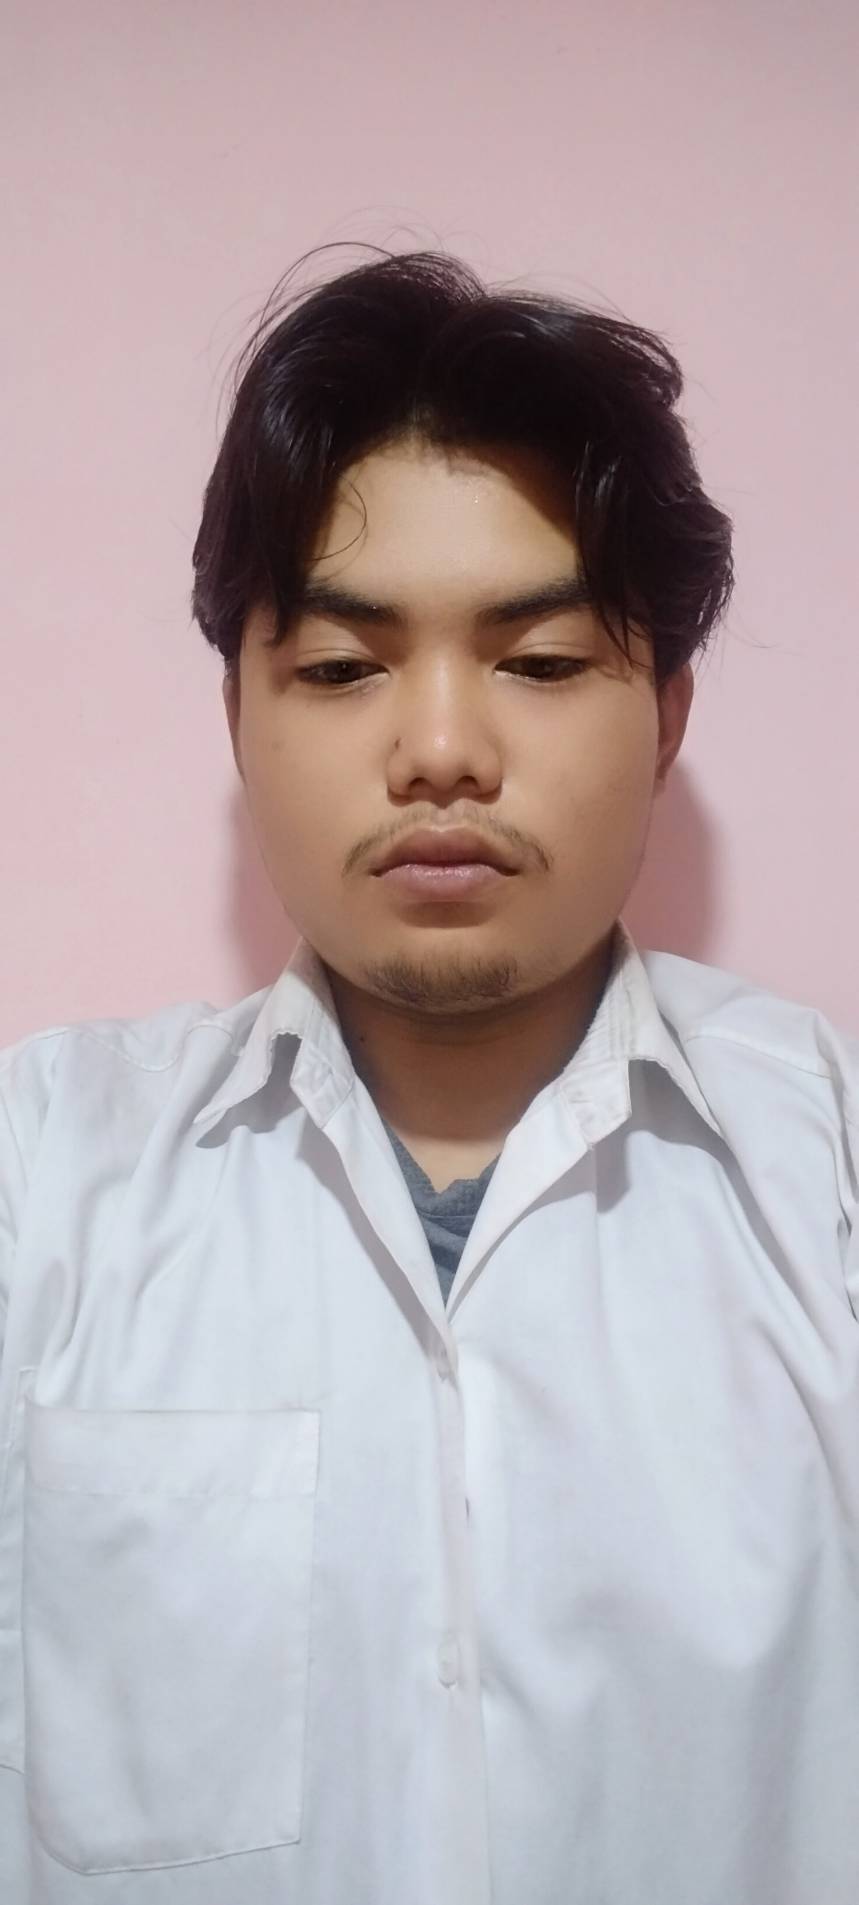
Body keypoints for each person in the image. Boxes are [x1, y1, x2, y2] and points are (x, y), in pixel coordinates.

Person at [1, 246, 857, 1905]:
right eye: (342, 666)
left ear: (669, 716)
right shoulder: (43, 1181)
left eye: (541, 660)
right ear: (238, 717)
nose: (444, 748)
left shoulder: (828, 1178)